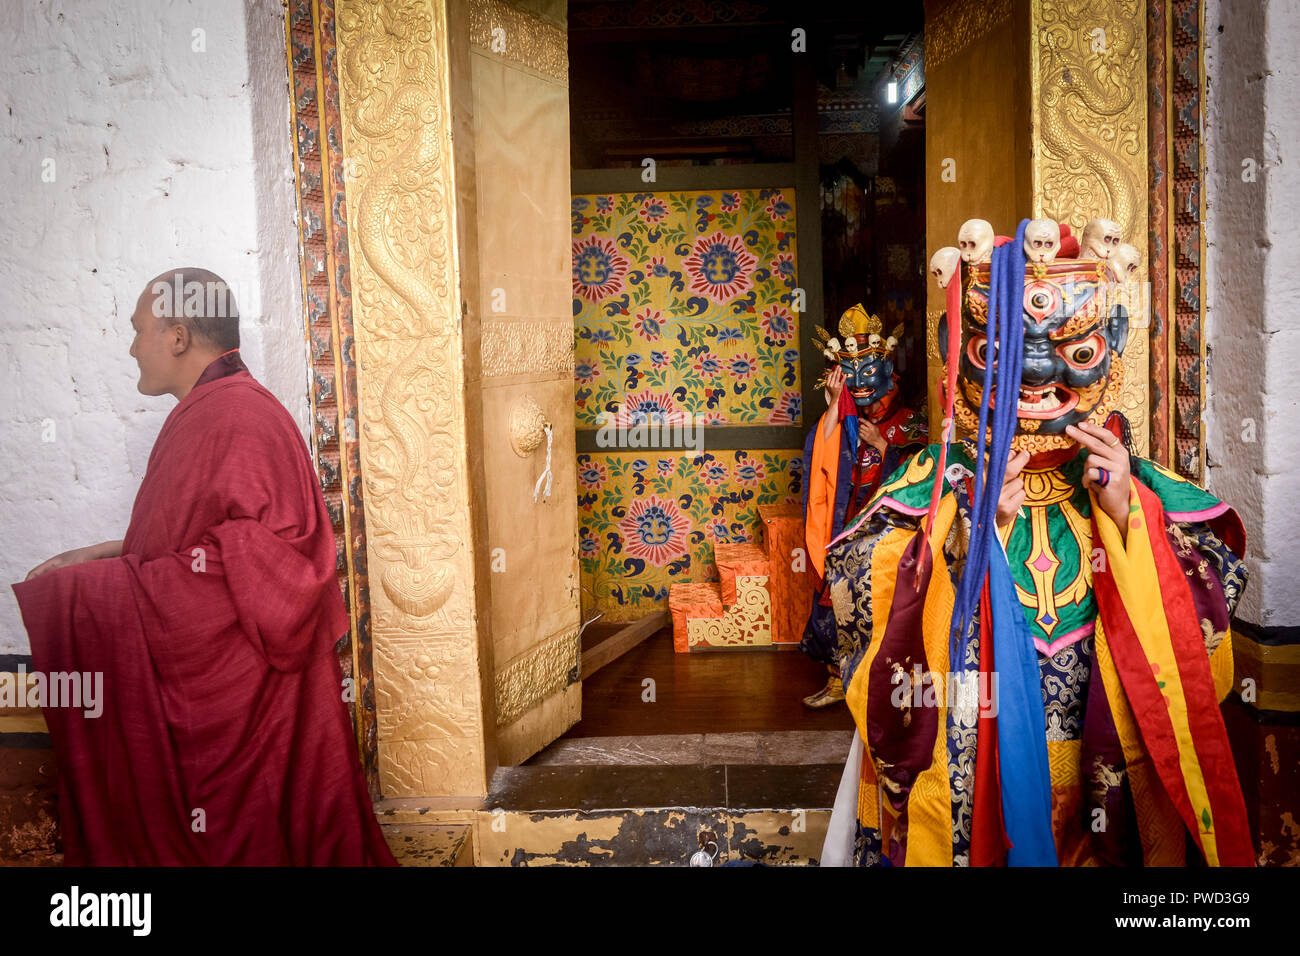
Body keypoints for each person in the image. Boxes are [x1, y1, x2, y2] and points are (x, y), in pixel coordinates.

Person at [818, 219, 1252, 867]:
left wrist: (1129, 516)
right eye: (1001, 352)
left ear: (1115, 343)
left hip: (1106, 779)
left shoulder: (1139, 487)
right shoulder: (926, 487)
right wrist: (971, 536)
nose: (1039, 373)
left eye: (1074, 351)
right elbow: (862, 611)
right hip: (971, 776)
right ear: (951, 341)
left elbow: (1205, 659)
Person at [12, 268, 397, 866]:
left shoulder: (235, 416)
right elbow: (204, 543)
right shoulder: (218, 409)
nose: (132, 347)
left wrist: (95, 592)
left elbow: (270, 564)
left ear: (177, 336)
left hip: (251, 700)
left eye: (139, 331)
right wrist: (104, 556)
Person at [799, 306, 926, 708]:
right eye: (850, 377)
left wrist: (885, 447)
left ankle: (883, 690)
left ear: (889, 370)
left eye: (868, 373)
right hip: (847, 526)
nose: (860, 384)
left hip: (891, 534)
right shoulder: (848, 421)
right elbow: (822, 456)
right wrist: (837, 405)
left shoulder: (910, 422)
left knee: (888, 605)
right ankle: (838, 682)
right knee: (835, 598)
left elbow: (925, 478)